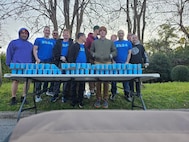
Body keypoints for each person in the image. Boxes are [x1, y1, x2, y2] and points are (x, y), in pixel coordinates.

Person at [90, 26, 117, 108]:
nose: (102, 32)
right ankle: (98, 99)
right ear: (99, 32)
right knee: (98, 81)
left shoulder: (110, 42)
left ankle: (105, 99)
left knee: (106, 81)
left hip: (107, 63)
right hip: (97, 63)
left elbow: (115, 51)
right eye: (100, 31)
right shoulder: (95, 42)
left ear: (106, 33)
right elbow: (91, 50)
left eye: (103, 31)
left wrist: (110, 55)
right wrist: (94, 55)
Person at [6, 28, 33, 105]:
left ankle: (23, 96)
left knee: (27, 81)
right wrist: (8, 63)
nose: (24, 35)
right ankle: (13, 97)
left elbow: (33, 55)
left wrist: (33, 64)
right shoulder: (13, 43)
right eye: (22, 33)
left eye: (26, 34)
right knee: (15, 80)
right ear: (19, 34)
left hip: (27, 65)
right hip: (16, 65)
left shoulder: (30, 45)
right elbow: (9, 53)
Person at [33, 26, 56, 102]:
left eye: (48, 31)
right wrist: (37, 59)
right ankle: (37, 95)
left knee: (48, 78)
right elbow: (35, 49)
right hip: (41, 61)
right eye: (46, 30)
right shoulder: (38, 40)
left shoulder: (53, 41)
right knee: (39, 78)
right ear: (43, 31)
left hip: (50, 62)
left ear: (50, 32)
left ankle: (47, 91)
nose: (47, 32)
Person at [50, 29, 74, 102]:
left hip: (67, 63)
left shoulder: (72, 43)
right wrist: (59, 57)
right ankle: (55, 95)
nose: (66, 35)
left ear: (69, 35)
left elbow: (72, 54)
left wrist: (66, 58)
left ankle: (65, 95)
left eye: (67, 34)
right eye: (65, 34)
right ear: (63, 35)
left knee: (66, 80)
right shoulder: (58, 42)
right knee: (58, 79)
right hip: (59, 63)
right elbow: (55, 51)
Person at [67, 32, 89, 108]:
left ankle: (80, 100)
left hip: (83, 69)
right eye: (84, 36)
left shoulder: (85, 47)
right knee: (74, 85)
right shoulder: (74, 46)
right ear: (81, 37)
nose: (85, 38)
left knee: (82, 85)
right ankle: (73, 101)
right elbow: (70, 57)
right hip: (75, 69)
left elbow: (88, 57)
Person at [110, 30, 132, 101]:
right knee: (114, 79)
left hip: (124, 64)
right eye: (119, 33)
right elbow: (111, 53)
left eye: (122, 33)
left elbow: (129, 53)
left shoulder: (128, 43)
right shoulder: (114, 43)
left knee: (125, 79)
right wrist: (113, 61)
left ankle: (127, 94)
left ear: (124, 34)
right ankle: (113, 94)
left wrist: (127, 62)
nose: (121, 35)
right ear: (118, 34)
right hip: (116, 64)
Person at [84, 25, 99, 97]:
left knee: (96, 73)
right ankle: (91, 89)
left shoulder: (98, 39)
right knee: (91, 73)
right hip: (90, 59)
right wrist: (91, 54)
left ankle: (96, 87)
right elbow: (86, 48)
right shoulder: (89, 38)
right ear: (96, 30)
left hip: (97, 59)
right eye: (99, 30)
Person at [46, 30, 59, 96]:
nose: (55, 34)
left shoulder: (59, 41)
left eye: (56, 34)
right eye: (54, 33)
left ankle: (53, 89)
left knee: (56, 75)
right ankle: (47, 90)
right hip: (50, 60)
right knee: (48, 76)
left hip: (57, 61)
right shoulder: (50, 41)